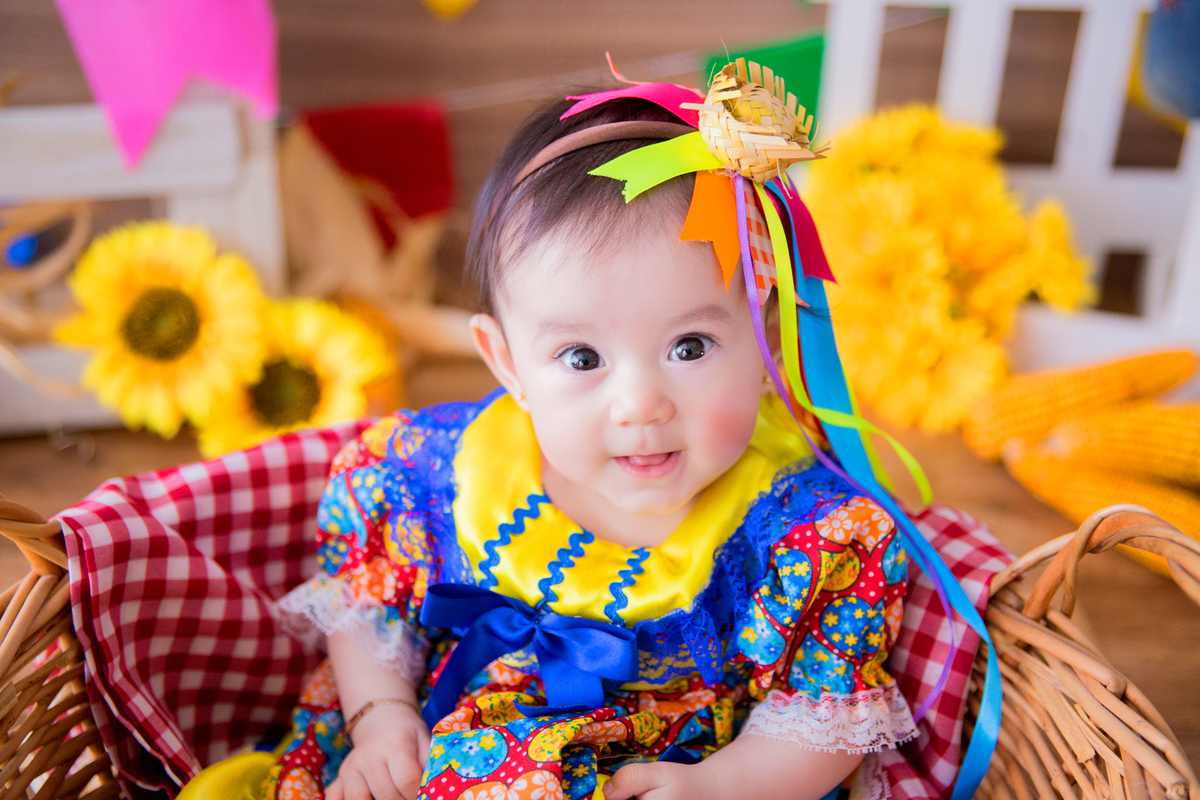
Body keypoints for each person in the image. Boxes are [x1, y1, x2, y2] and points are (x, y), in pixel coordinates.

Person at [266, 64, 918, 800]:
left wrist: (723, 786)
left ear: (768, 343)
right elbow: (371, 611)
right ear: (506, 363)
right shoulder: (435, 475)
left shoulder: (801, 537)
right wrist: (380, 716)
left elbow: (819, 714)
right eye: (582, 358)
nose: (640, 405)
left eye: (691, 347)